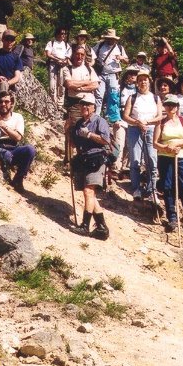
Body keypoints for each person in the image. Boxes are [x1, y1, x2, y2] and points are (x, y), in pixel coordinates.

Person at [70, 95, 112, 240]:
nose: (84, 107)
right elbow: (73, 144)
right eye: (82, 105)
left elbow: (106, 140)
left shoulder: (100, 121)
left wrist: (89, 135)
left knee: (88, 191)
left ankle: (85, 226)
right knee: (89, 194)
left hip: (96, 159)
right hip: (83, 159)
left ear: (94, 107)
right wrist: (68, 130)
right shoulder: (79, 123)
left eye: (88, 105)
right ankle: (101, 227)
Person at [154, 95, 183, 232]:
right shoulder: (160, 123)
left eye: (173, 105)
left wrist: (177, 143)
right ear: (165, 107)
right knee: (167, 187)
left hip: (181, 157)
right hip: (165, 157)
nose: (170, 107)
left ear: (177, 107)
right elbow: (155, 143)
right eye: (168, 105)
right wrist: (166, 148)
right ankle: (172, 218)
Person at [123, 70, 163, 202]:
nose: (143, 82)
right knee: (135, 160)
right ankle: (136, 189)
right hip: (135, 130)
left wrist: (147, 122)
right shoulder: (132, 97)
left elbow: (159, 116)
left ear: (149, 81)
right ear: (137, 82)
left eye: (145, 79)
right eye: (140, 80)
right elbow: (126, 116)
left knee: (152, 159)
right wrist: (137, 122)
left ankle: (152, 190)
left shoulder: (156, 98)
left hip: (151, 130)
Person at [0, 91, 36, 193]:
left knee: (30, 149)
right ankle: (8, 172)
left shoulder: (18, 117)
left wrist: (4, 126)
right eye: (1, 102)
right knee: (7, 157)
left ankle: (18, 179)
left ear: (12, 103)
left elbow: (18, 137)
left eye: (6, 101)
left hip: (14, 147)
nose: (3, 104)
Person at [62, 45, 99, 164]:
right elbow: (69, 84)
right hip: (75, 104)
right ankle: (69, 160)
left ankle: (82, 157)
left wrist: (79, 86)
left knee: (87, 131)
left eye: (82, 54)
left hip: (89, 104)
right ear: (73, 55)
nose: (79, 57)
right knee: (72, 131)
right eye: (77, 54)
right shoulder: (68, 69)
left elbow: (96, 85)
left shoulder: (89, 69)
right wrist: (87, 83)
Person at [92, 28, 128, 114]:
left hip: (113, 75)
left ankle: (111, 116)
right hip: (101, 74)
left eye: (112, 38)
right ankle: (97, 115)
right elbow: (91, 53)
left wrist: (122, 58)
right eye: (109, 38)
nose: (110, 40)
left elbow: (127, 61)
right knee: (99, 95)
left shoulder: (119, 48)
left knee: (113, 96)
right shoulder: (100, 45)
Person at [45, 27, 72, 106]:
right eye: (61, 33)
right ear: (57, 34)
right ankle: (53, 103)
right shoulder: (51, 43)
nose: (63, 35)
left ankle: (60, 104)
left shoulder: (67, 44)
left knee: (61, 84)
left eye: (64, 34)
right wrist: (57, 59)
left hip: (63, 65)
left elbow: (68, 56)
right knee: (52, 85)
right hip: (53, 64)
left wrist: (64, 61)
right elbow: (48, 54)